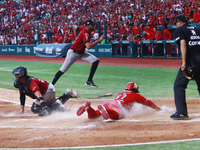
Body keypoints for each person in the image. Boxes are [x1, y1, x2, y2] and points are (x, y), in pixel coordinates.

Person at [52, 20, 104, 88]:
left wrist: (76, 38)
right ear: (88, 26)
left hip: (81, 53)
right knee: (63, 70)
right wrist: (99, 41)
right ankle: (51, 86)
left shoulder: (83, 28)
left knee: (95, 60)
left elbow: (75, 28)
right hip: (73, 53)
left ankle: (89, 81)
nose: (94, 26)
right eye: (92, 25)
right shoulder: (85, 33)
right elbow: (88, 46)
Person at [12, 66, 80, 116]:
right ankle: (67, 95)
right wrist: (22, 110)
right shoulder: (21, 84)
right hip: (46, 91)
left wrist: (44, 107)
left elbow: (39, 96)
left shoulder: (31, 83)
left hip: (48, 90)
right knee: (52, 105)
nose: (15, 77)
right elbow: (22, 96)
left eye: (16, 75)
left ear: (22, 75)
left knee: (35, 108)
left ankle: (53, 107)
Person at [76, 82, 160, 120]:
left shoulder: (121, 92)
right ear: (135, 90)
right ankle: (106, 111)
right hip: (118, 107)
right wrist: (157, 108)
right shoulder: (136, 95)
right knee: (116, 116)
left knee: (94, 116)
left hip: (110, 103)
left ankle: (88, 108)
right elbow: (148, 103)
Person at [170, 14, 200, 119]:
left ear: (180, 22)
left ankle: (181, 112)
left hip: (191, 62)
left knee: (179, 85)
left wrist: (183, 62)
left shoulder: (180, 30)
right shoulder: (197, 29)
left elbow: (183, 44)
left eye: (176, 23)